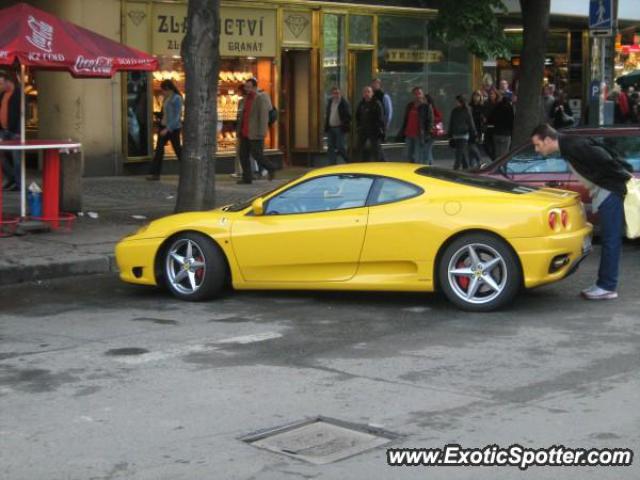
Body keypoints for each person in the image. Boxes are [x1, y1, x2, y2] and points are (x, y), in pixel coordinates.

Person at [531, 124, 632, 300]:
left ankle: (607, 286)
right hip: (607, 192)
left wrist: (624, 175)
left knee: (610, 240)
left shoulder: (572, 145)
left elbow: (604, 157)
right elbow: (603, 152)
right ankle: (604, 284)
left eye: (538, 144)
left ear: (547, 140)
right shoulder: (569, 145)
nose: (536, 149)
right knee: (610, 240)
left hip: (610, 192)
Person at [237, 77, 276, 184]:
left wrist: (262, 132)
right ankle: (247, 178)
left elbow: (263, 117)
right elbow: (242, 115)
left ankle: (271, 167)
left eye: (249, 87)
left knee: (257, 155)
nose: (247, 89)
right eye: (246, 87)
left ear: (254, 87)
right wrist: (239, 130)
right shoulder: (244, 100)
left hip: (255, 133)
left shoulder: (260, 98)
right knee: (243, 155)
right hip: (244, 132)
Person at [147, 79, 183, 180]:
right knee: (159, 151)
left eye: (163, 90)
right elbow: (165, 113)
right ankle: (155, 174)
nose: (162, 92)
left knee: (178, 150)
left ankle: (187, 170)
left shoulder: (177, 98)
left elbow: (177, 116)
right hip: (163, 126)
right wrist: (157, 115)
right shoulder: (166, 98)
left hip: (173, 128)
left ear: (168, 89)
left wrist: (168, 129)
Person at [398, 86, 433, 165]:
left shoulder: (426, 106)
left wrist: (427, 134)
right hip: (408, 134)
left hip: (419, 135)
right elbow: (406, 120)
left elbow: (430, 121)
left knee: (418, 157)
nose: (417, 95)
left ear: (423, 94)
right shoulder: (410, 105)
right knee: (406, 156)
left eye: (419, 93)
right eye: (415, 94)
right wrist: (402, 132)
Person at [355, 86, 385, 162]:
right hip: (363, 129)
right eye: (365, 92)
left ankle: (381, 164)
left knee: (376, 149)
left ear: (372, 93)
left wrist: (380, 129)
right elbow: (357, 116)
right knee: (359, 148)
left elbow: (380, 118)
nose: (367, 93)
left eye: (368, 92)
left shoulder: (376, 103)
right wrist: (358, 127)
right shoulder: (361, 104)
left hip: (374, 130)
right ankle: (360, 163)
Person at [448, 94, 476, 170]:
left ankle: (456, 168)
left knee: (459, 153)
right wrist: (450, 134)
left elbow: (471, 122)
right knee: (462, 153)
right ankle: (466, 168)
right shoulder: (454, 111)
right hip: (456, 134)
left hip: (463, 134)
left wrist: (473, 133)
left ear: (462, 102)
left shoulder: (467, 110)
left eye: (457, 101)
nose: (456, 103)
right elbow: (451, 122)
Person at [324, 86, 351, 165]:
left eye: (338, 93)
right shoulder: (330, 102)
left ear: (340, 93)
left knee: (340, 146)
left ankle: (348, 161)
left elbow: (348, 116)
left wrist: (344, 125)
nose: (336, 95)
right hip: (331, 128)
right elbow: (328, 114)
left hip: (340, 128)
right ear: (332, 94)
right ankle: (332, 164)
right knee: (330, 147)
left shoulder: (344, 103)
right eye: (334, 93)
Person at [487, 90, 514, 159]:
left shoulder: (497, 107)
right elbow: (511, 121)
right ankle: (502, 168)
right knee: (504, 156)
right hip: (506, 133)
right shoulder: (510, 108)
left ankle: (496, 167)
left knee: (497, 154)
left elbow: (490, 119)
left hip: (496, 132)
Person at [371, 78, 393, 159]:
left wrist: (386, 125)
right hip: (372, 124)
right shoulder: (372, 95)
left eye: (376, 83)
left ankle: (383, 161)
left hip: (381, 125)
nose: (374, 85)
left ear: (379, 85)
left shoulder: (384, 96)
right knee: (375, 145)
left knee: (378, 144)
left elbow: (389, 112)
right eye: (373, 83)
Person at [468, 90, 486, 168]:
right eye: (475, 95)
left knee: (473, 145)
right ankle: (473, 164)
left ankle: (478, 161)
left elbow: (483, 119)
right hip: (469, 128)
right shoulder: (469, 106)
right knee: (471, 146)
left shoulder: (482, 106)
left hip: (478, 129)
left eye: (478, 96)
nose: (476, 97)